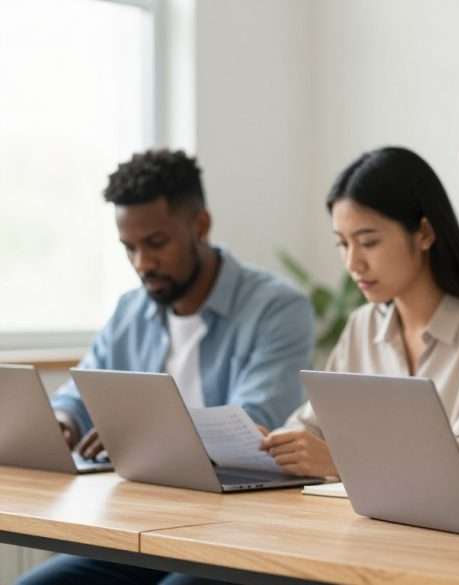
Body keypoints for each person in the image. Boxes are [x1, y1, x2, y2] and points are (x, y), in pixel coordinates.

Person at [19, 149, 314, 585]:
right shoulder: (131, 310)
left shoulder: (277, 308)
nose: (142, 263)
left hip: (239, 536)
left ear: (200, 226)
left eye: (156, 244)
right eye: (129, 248)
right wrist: (62, 421)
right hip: (140, 531)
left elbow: (257, 424)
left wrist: (147, 433)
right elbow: (78, 395)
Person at [260, 147, 459, 489]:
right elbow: (312, 425)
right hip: (390, 518)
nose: (352, 264)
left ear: (424, 233)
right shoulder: (364, 324)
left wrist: (343, 459)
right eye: (343, 244)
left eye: (368, 242)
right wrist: (272, 444)